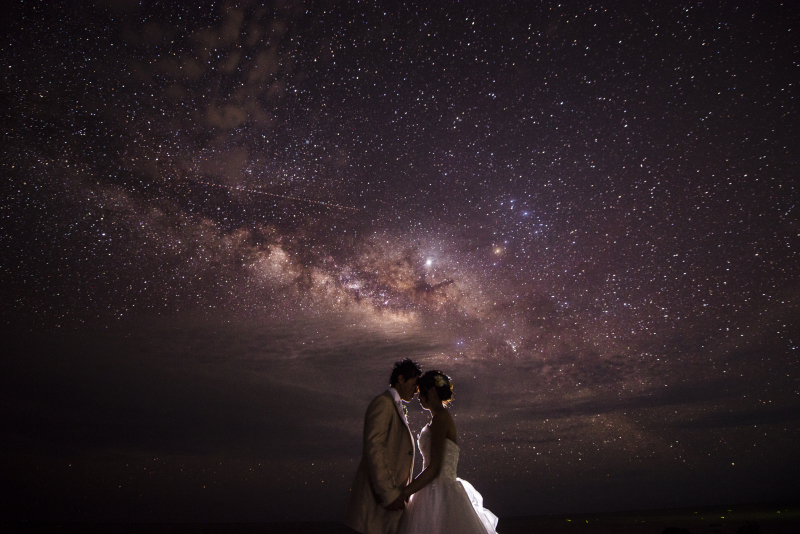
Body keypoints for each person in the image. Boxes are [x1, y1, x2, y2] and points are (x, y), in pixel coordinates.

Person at [395, 370, 499, 534]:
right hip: (431, 492)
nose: (418, 397)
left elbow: (435, 467)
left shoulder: (441, 418)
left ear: (432, 391)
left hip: (441, 494)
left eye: (421, 392)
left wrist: (405, 492)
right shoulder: (437, 419)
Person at [345, 359, 422, 534]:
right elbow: (374, 449)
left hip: (386, 508)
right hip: (375, 505)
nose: (416, 390)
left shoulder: (394, 405)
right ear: (401, 379)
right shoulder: (383, 403)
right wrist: (389, 494)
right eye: (414, 384)